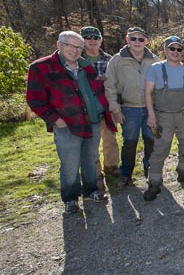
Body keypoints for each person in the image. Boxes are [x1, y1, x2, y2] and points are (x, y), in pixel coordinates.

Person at [26, 31, 116, 214]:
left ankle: (91, 191)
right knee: (69, 164)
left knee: (90, 160)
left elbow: (96, 91)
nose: (74, 50)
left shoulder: (86, 66)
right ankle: (71, 199)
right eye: (69, 45)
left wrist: (102, 111)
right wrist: (56, 120)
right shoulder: (41, 67)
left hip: (91, 121)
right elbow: (35, 100)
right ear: (59, 45)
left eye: (78, 47)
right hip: (67, 125)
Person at [143, 36, 184, 201]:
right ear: (165, 50)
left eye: (179, 49)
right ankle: (154, 182)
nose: (175, 52)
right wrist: (151, 115)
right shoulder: (155, 68)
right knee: (161, 148)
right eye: (172, 49)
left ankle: (183, 172)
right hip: (163, 116)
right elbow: (147, 93)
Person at [105, 27, 161, 189]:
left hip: (151, 109)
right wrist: (115, 109)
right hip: (128, 109)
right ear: (127, 39)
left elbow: (162, 85)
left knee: (151, 141)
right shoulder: (117, 60)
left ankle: (150, 172)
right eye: (133, 38)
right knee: (129, 143)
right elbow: (109, 86)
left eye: (141, 39)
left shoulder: (155, 60)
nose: (137, 42)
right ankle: (126, 174)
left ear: (146, 41)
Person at [80, 26, 120, 183]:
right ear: (82, 40)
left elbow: (116, 82)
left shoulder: (109, 59)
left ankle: (111, 167)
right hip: (85, 109)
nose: (92, 40)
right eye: (88, 37)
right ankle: (95, 174)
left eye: (96, 38)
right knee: (91, 144)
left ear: (101, 40)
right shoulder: (77, 59)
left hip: (107, 107)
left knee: (110, 139)